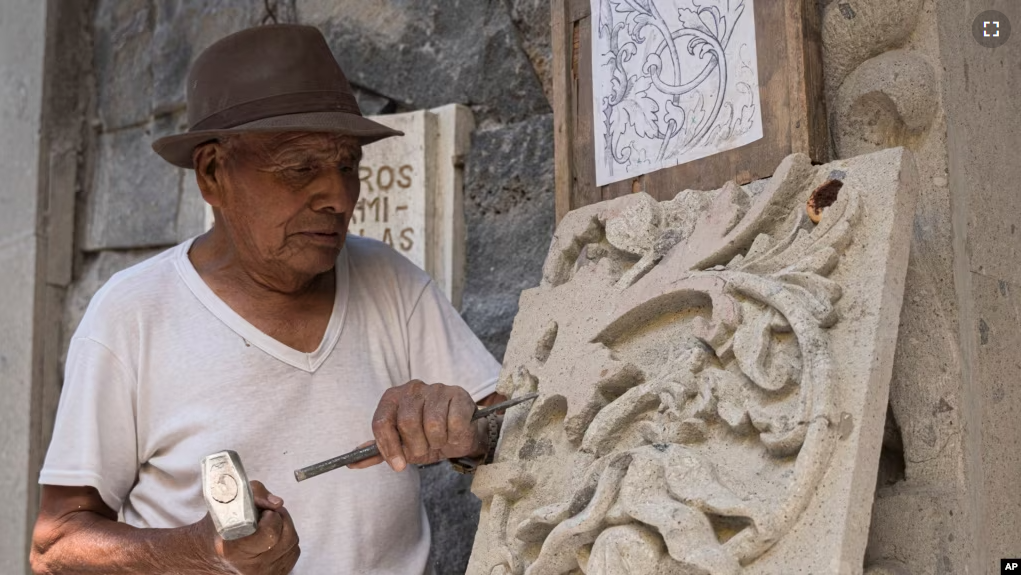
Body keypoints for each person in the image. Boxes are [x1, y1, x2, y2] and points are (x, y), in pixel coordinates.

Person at [30, 24, 503, 574]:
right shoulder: (132, 314)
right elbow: (53, 547)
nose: (338, 196)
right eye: (301, 167)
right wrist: (202, 552)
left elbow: (511, 429)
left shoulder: (391, 281)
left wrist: (466, 431)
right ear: (212, 173)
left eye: (347, 164)